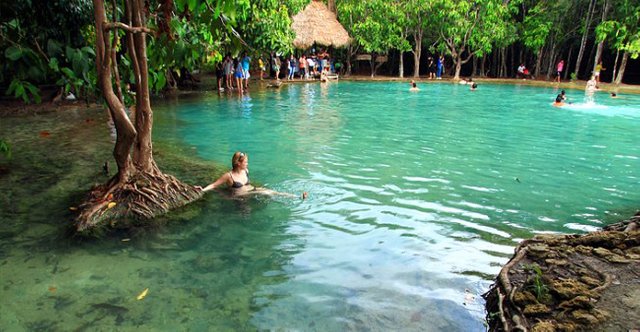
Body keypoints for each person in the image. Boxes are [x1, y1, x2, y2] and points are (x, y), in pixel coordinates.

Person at [197, 152, 306, 199]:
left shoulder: (246, 171)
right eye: (245, 162)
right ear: (238, 163)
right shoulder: (229, 176)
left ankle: (297, 197)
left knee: (271, 191)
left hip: (252, 190)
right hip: (240, 196)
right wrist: (202, 190)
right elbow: (214, 185)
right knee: (268, 193)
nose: (247, 164)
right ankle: (296, 197)